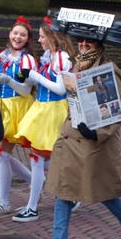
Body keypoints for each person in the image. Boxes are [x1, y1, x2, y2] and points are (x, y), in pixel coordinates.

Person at [32, 32, 121, 239]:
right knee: (63, 191)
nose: (83, 45)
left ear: (99, 44)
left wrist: (95, 132)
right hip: (71, 138)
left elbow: (115, 110)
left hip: (94, 143)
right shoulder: (76, 65)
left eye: (89, 41)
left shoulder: (108, 70)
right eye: (81, 41)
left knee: (105, 192)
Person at [12, 18, 74, 222]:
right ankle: (68, 195)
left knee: (38, 159)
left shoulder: (63, 58)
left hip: (53, 111)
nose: (38, 40)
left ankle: (32, 208)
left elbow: (59, 89)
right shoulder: (51, 56)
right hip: (42, 108)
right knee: (44, 158)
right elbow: (44, 83)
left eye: (41, 36)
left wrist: (34, 76)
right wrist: (26, 77)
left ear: (52, 37)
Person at [0, 17, 37, 215]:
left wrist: (9, 81)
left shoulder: (28, 60)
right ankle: (35, 181)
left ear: (28, 38)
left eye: (22, 34)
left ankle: (4, 200)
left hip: (20, 108)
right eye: (15, 33)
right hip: (2, 107)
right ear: (10, 34)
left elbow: (26, 90)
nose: (18, 37)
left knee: (36, 154)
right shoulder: (0, 57)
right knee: (1, 154)